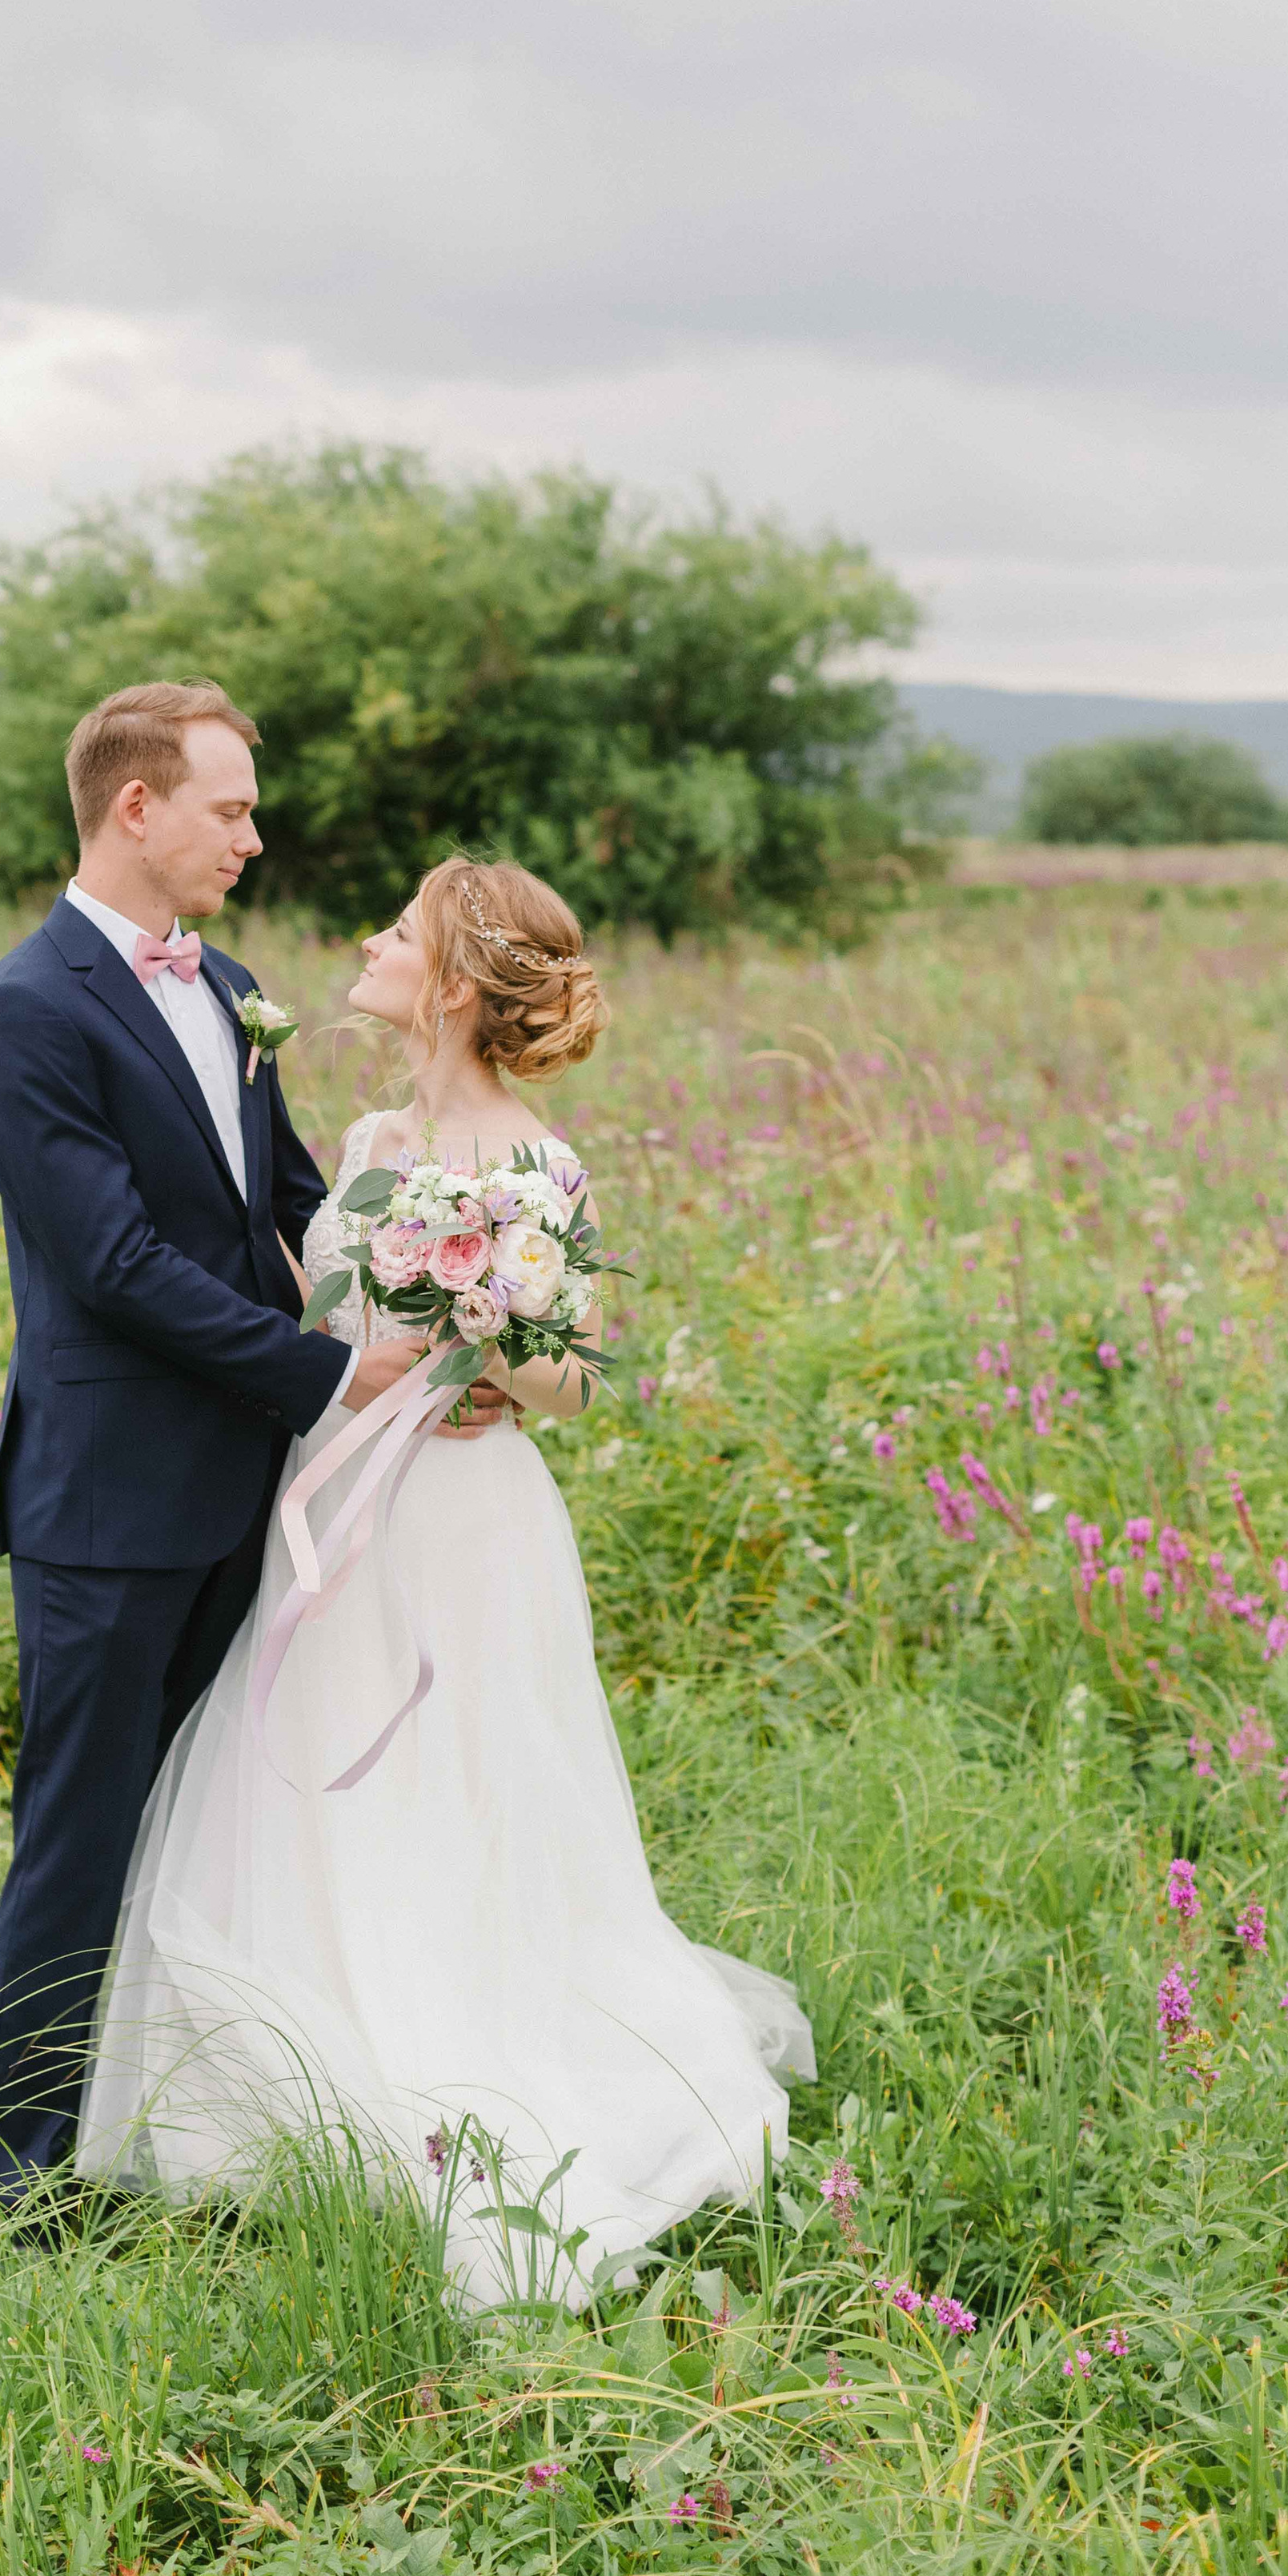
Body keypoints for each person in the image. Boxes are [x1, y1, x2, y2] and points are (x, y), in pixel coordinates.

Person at [76, 854, 816, 2307]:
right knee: (300, 1780)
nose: (368, 941)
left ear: (459, 982)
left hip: (466, 1526)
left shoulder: (540, 1164)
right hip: (336, 1500)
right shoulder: (364, 1132)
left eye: (399, 932)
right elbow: (316, 1316)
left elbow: (575, 1387)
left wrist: (488, 1327)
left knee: (465, 1788)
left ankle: (473, 2071)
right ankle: (275, 2101)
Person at [0, 681, 507, 2199]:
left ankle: (170, 2127)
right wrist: (336, 1373)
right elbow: (116, 1267)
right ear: (137, 808)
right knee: (79, 1836)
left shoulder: (231, 981)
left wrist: (435, 1290)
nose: (254, 838)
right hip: (109, 1503)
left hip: (246, 1491)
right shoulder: (27, 1010)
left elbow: (284, 1200)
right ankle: (19, 2177)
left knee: (208, 1825)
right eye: (230, 808)